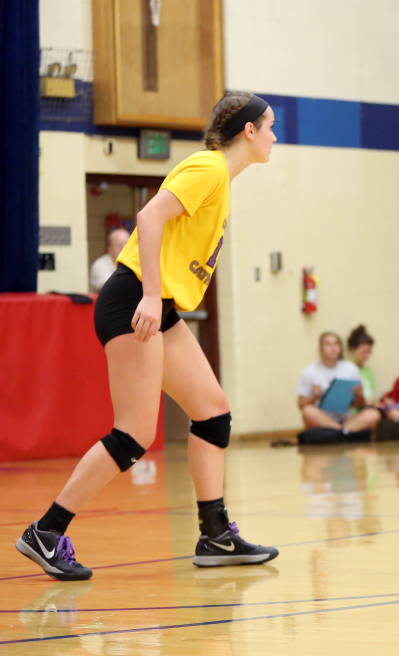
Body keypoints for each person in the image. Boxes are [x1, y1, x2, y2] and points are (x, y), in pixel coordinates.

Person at [15, 92, 279, 581]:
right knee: (135, 433)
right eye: (269, 126)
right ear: (247, 130)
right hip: (135, 297)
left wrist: (161, 300)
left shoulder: (220, 179)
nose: (273, 136)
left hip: (159, 302)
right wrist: (153, 297)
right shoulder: (210, 169)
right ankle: (46, 532)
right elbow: (147, 217)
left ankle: (215, 534)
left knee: (212, 412)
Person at [296, 332, 379, 435]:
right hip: (322, 419)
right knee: (308, 411)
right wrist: (314, 397)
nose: (333, 348)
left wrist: (359, 395)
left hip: (347, 418)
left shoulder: (351, 368)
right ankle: (343, 433)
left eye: (336, 344)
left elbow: (359, 405)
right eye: (328, 344)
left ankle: (339, 433)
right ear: (320, 348)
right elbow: (301, 405)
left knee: (373, 414)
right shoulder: (309, 371)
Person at [89, 227, 129, 292]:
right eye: (120, 245)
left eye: (126, 244)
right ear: (109, 248)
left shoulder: (134, 264)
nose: (123, 248)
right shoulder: (99, 265)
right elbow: (112, 289)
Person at [347, 324, 376, 402]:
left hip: (368, 409)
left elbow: (371, 396)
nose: (367, 356)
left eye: (369, 352)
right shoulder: (345, 369)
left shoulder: (367, 371)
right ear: (353, 349)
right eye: (364, 352)